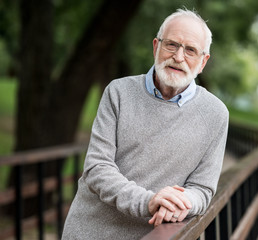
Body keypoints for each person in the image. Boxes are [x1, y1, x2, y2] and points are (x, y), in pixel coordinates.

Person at [62, 8, 229, 239]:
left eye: (190, 50)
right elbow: (97, 167)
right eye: (171, 45)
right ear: (155, 47)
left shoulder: (216, 114)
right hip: (89, 232)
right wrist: (149, 201)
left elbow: (203, 189)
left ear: (203, 62)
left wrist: (182, 203)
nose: (178, 57)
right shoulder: (118, 92)